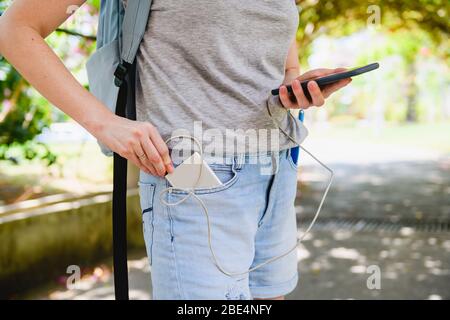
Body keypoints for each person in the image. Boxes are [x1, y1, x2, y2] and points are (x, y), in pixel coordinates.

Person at [0, 0, 351, 300]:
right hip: (195, 182)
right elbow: (16, 29)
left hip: (276, 166)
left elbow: (279, 61)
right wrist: (105, 123)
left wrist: (295, 83)